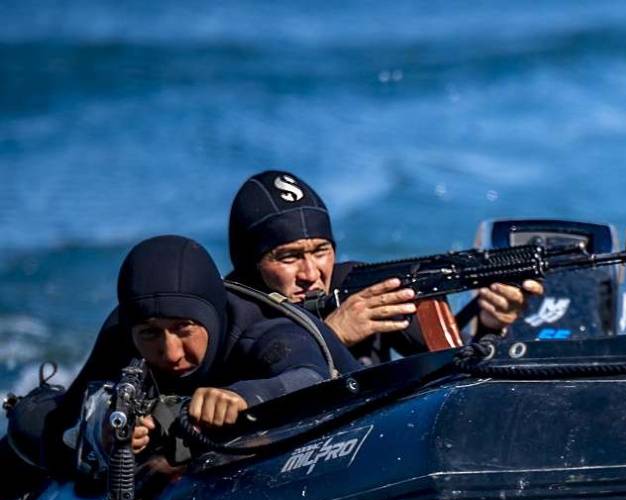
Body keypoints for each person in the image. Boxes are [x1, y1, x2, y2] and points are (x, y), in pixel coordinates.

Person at [30, 235, 357, 472]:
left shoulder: (259, 328)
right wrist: (101, 433)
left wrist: (245, 397)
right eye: (150, 333)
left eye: (184, 328)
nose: (170, 352)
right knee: (30, 422)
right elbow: (57, 437)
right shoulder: (122, 334)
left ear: (211, 318)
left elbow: (310, 377)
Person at [227, 171, 542, 365]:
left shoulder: (357, 288)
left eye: (321, 251)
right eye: (288, 258)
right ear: (250, 265)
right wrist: (332, 335)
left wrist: (489, 325)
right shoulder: (225, 314)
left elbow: (455, 367)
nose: (311, 273)